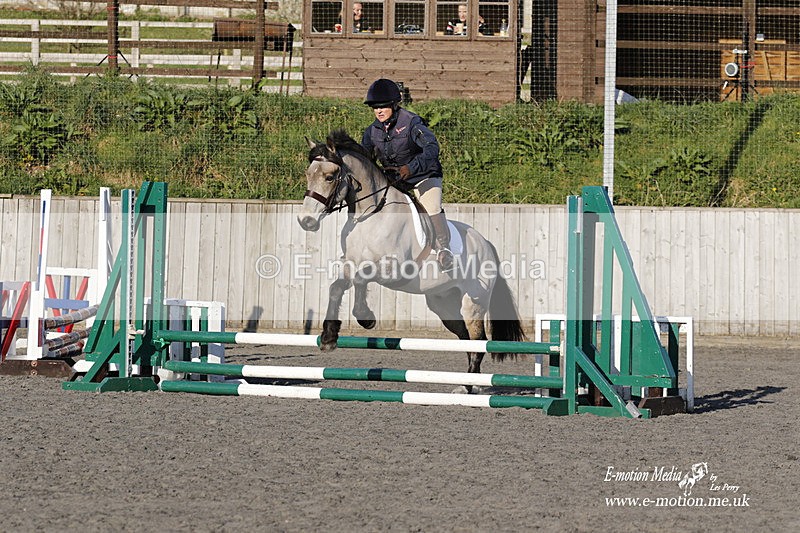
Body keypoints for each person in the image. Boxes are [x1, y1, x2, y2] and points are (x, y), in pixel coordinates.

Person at [361, 78, 453, 271]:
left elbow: (432, 148)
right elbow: (365, 160)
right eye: (375, 107)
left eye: (383, 106)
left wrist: (411, 168)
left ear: (394, 105)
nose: (378, 111)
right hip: (396, 181)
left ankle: (444, 251)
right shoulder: (372, 131)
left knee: (431, 206)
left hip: (424, 175)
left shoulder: (412, 123)